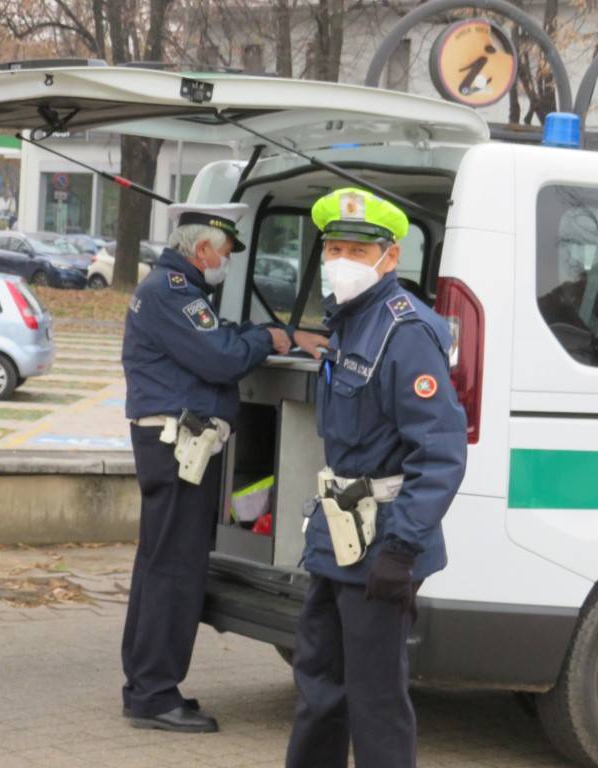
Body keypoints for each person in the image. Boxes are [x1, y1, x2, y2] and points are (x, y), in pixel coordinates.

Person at [285, 188, 467, 768]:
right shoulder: (349, 321)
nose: (341, 260)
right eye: (334, 247)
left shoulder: (404, 332)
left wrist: (402, 547)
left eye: (357, 252)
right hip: (336, 538)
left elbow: (439, 452)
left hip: (382, 544)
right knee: (318, 689)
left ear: (390, 258)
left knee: (376, 701)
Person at [121, 203, 308, 733]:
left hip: (174, 447)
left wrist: (259, 337)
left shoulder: (173, 291)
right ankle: (155, 694)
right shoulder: (172, 293)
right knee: (174, 570)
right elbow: (221, 356)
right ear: (201, 249)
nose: (226, 262)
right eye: (225, 252)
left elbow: (214, 341)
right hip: (177, 449)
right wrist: (269, 338)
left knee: (160, 565)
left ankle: (145, 685)